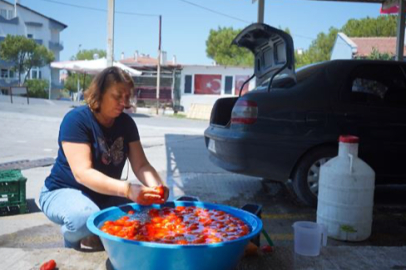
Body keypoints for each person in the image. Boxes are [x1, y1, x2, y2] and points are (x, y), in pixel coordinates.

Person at [39, 66, 169, 250]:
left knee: (149, 213)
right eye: (117, 96)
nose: (123, 103)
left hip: (105, 195)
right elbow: (83, 174)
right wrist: (127, 189)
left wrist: (158, 188)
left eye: (127, 97)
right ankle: (73, 238)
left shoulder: (126, 123)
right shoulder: (76, 120)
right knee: (83, 219)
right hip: (62, 191)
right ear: (99, 93)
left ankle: (93, 233)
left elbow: (141, 165)